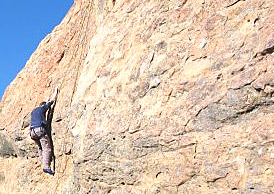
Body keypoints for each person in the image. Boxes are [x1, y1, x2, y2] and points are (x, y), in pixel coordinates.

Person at [30, 87, 58, 175]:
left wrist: (46, 100)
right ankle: (46, 166)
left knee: (40, 148)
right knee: (47, 148)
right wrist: (55, 91)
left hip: (32, 132)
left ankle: (43, 163)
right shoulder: (42, 109)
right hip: (39, 130)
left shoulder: (34, 111)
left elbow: (45, 103)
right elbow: (51, 102)